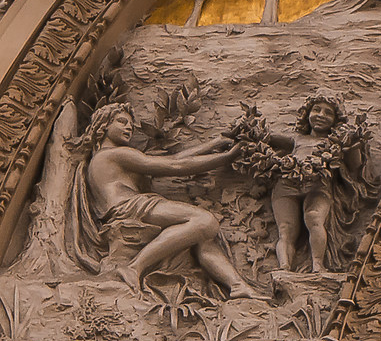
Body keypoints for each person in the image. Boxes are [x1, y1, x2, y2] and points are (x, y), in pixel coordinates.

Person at [65, 104, 264, 299]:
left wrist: (215, 143)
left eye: (131, 125)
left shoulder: (106, 158)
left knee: (204, 235)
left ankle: (237, 285)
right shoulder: (114, 154)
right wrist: (228, 156)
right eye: (122, 121)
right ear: (103, 126)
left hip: (134, 207)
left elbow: (176, 158)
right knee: (205, 221)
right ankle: (133, 268)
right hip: (131, 208)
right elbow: (176, 166)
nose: (128, 128)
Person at [264, 97, 371, 274]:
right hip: (287, 184)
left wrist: (354, 142)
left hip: (318, 185)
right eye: (316, 110)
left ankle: (318, 264)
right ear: (307, 114)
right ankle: (284, 267)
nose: (321, 115)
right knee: (286, 229)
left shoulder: (335, 143)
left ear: (336, 120)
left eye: (328, 113)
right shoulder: (297, 139)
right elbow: (267, 138)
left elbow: (355, 166)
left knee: (314, 218)